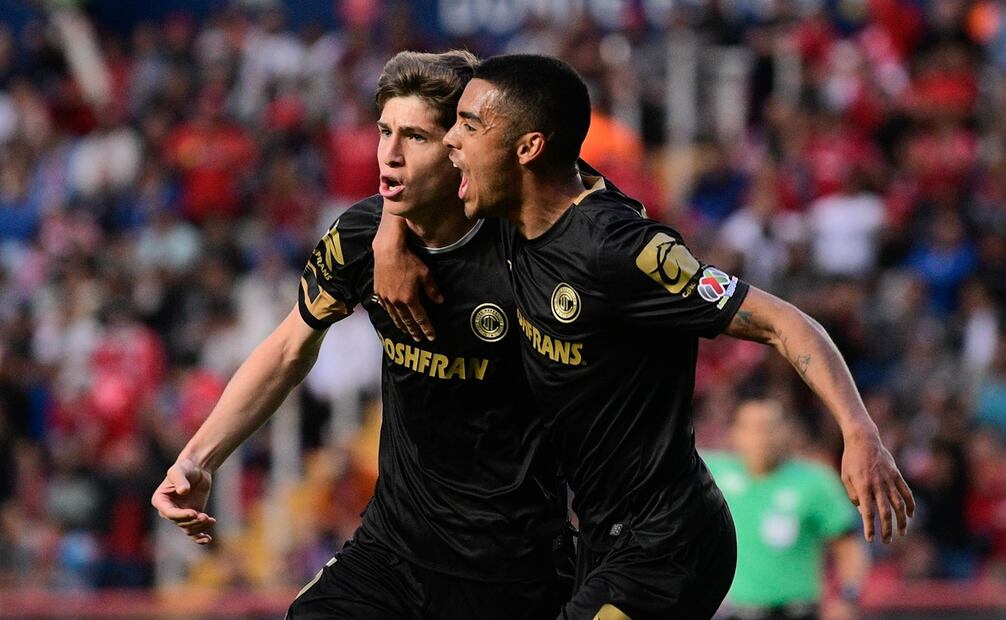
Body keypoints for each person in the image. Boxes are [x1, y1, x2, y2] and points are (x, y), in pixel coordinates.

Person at [378, 54, 913, 620]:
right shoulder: (509, 213)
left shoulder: (618, 248)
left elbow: (784, 321)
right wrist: (390, 235)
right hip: (601, 541)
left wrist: (860, 433)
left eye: (468, 125)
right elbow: (416, 174)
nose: (450, 142)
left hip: (669, 542)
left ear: (528, 148)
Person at [150, 50, 572, 619]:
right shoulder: (359, 236)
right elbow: (286, 349)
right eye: (384, 131)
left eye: (416, 137)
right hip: (391, 553)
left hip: (514, 574)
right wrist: (197, 459)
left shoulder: (533, 249)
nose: (389, 155)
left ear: (460, 149)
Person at [704, 398, 868, 620]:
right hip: (734, 611)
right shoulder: (710, 473)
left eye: (771, 427)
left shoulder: (815, 481)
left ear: (787, 431)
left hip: (797, 611)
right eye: (753, 428)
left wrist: (848, 596)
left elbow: (848, 546)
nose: (762, 438)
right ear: (735, 433)